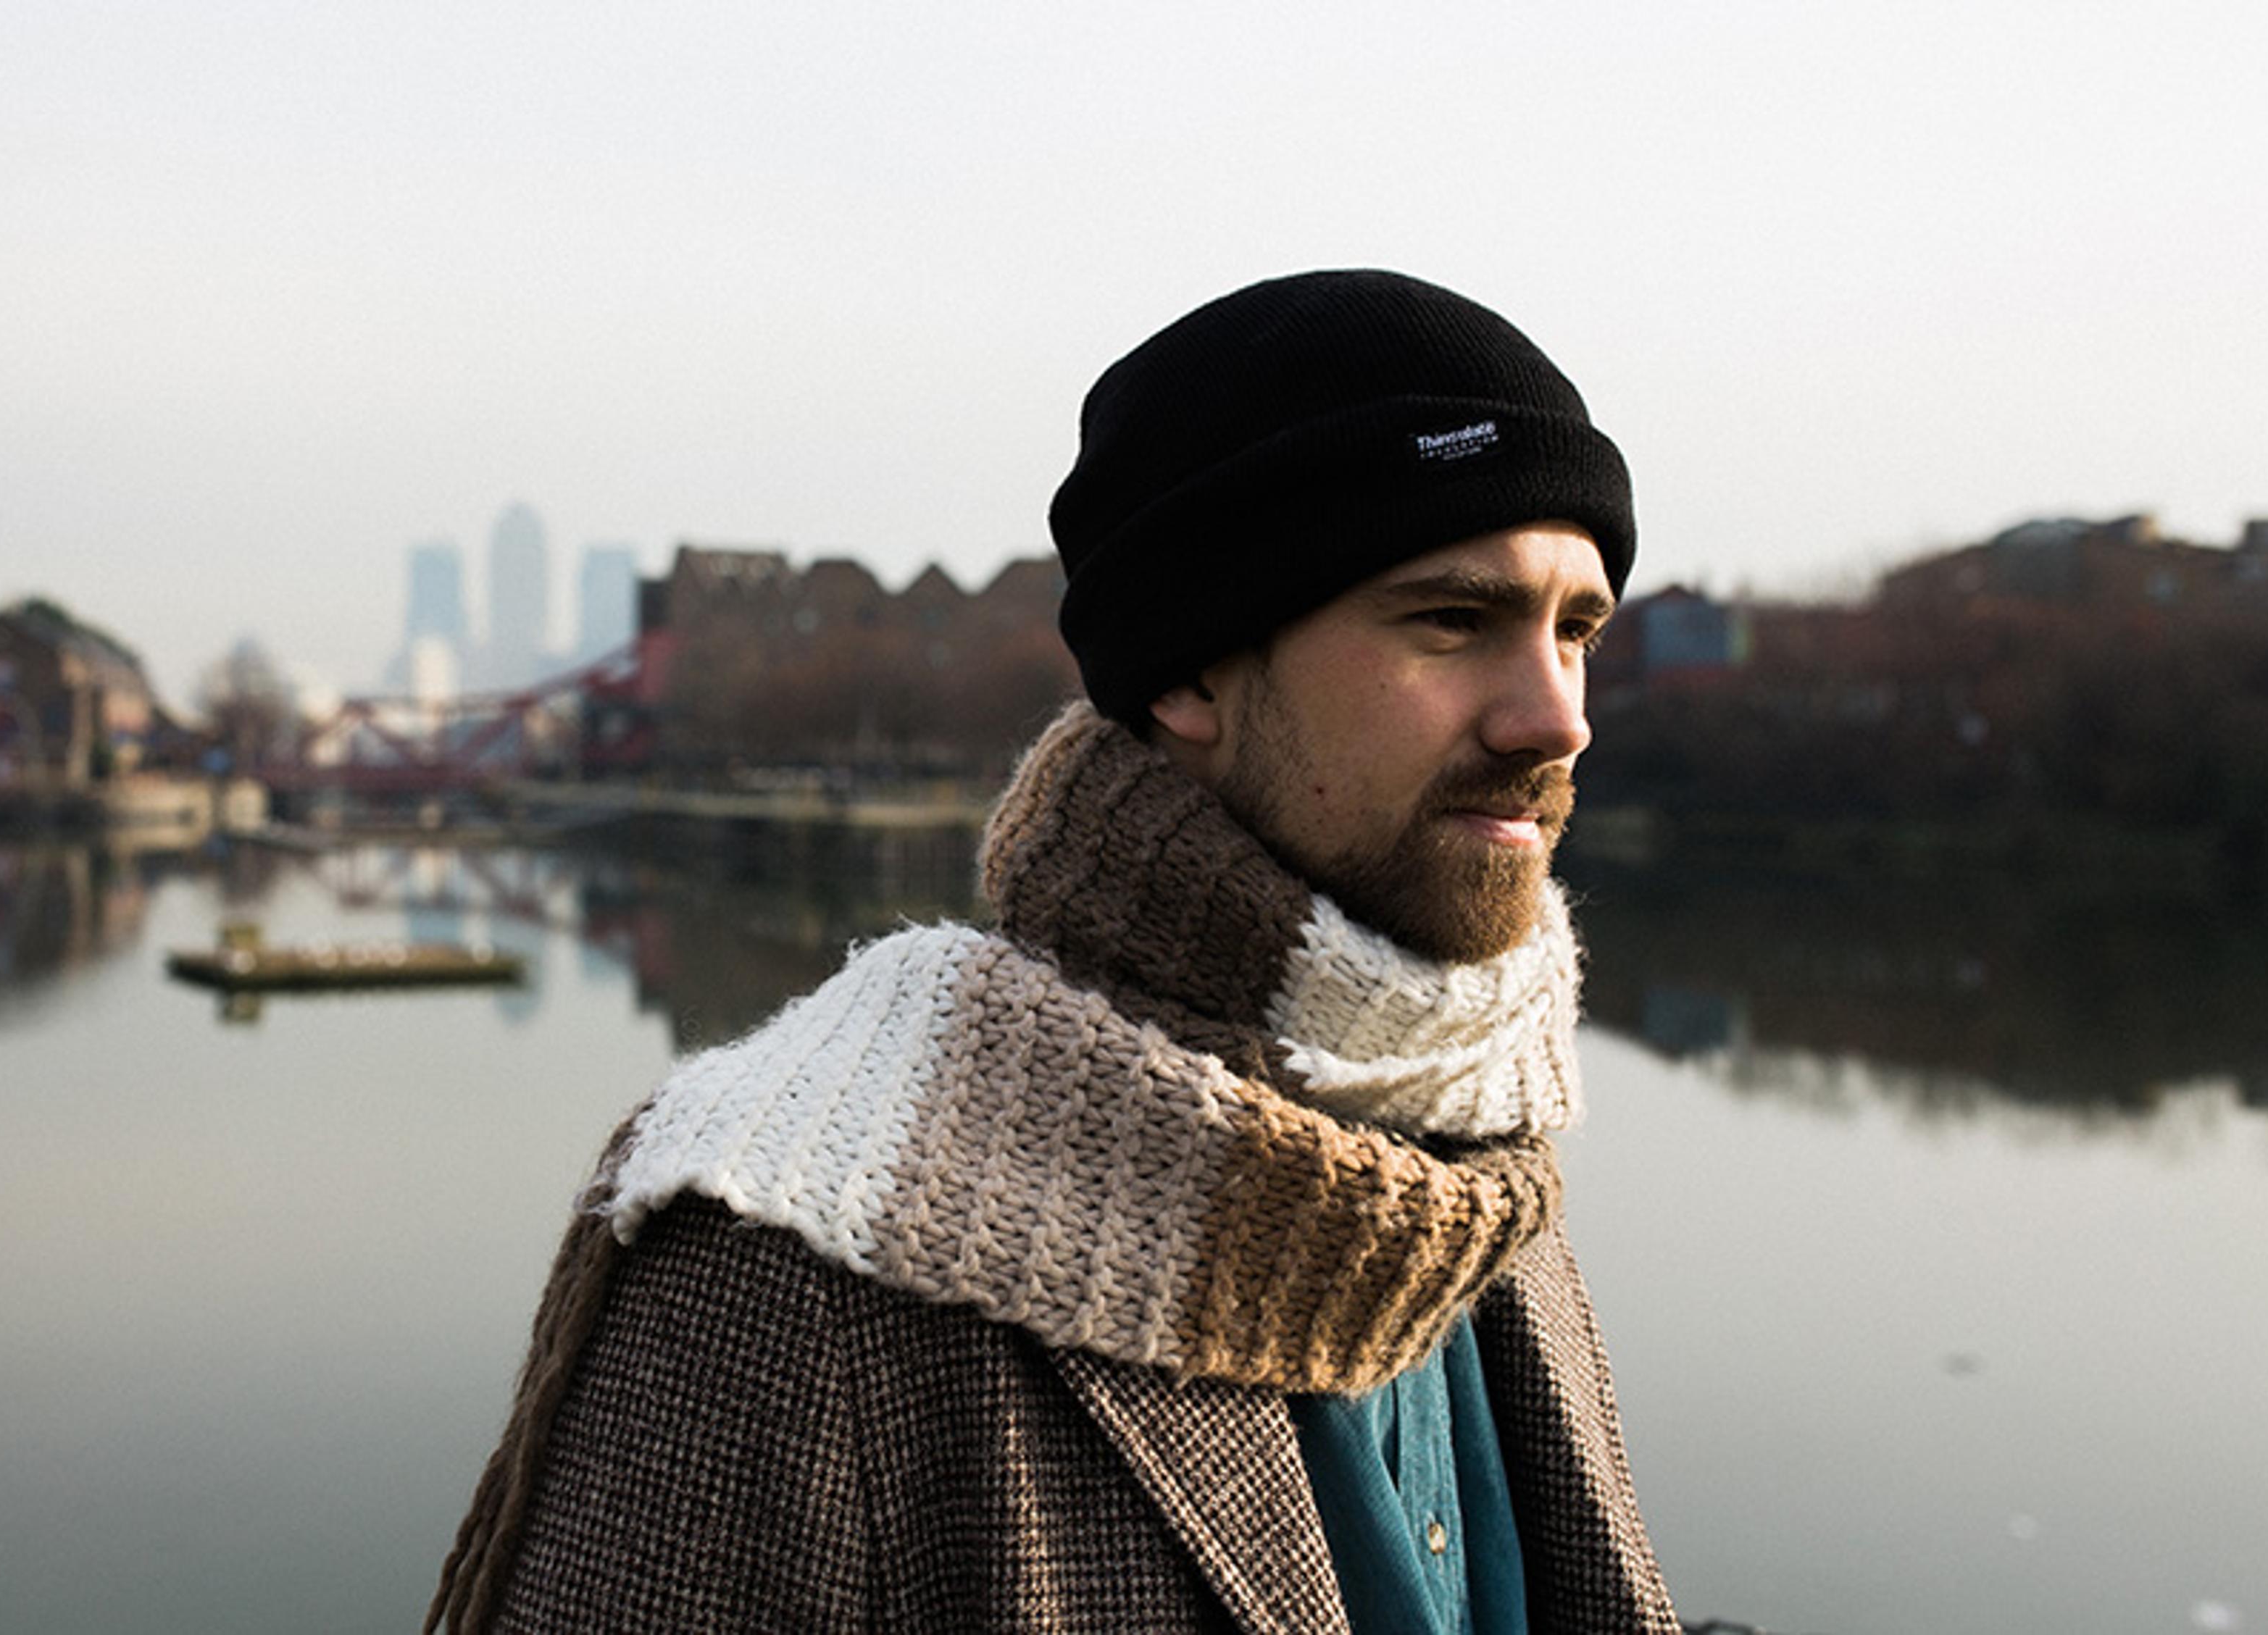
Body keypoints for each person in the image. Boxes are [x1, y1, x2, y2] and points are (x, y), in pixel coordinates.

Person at [426, 269, 1678, 1634]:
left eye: (1577, 630)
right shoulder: (798, 1262)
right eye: (1453, 620)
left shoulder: (1480, 1159)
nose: (1558, 719)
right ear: (1187, 672)